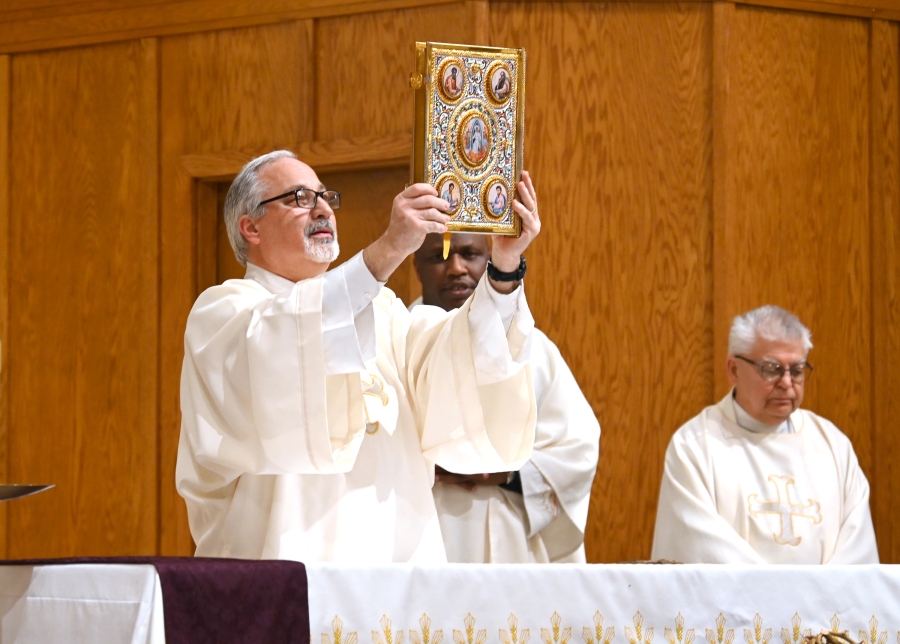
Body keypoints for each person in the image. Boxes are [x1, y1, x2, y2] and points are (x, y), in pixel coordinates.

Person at [176, 150, 542, 563]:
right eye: (299, 198)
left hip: (398, 587)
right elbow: (285, 334)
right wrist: (389, 249)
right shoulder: (224, 314)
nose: (322, 210)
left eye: (325, 197)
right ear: (251, 227)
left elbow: (463, 366)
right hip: (285, 582)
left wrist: (504, 268)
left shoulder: (383, 312)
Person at [412, 232, 600, 563]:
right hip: (422, 530)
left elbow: (579, 448)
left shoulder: (533, 348)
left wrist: (509, 471)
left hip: (508, 532)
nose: (456, 268)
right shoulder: (395, 343)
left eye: (469, 254)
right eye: (438, 257)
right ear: (415, 264)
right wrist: (424, 460)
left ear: (489, 258)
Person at [651, 305, 878, 564]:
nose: (786, 383)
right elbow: (701, 551)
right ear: (733, 370)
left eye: (797, 370)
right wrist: (787, 599)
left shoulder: (834, 446)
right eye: (771, 369)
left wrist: (818, 600)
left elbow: (856, 553)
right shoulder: (695, 447)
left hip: (828, 605)